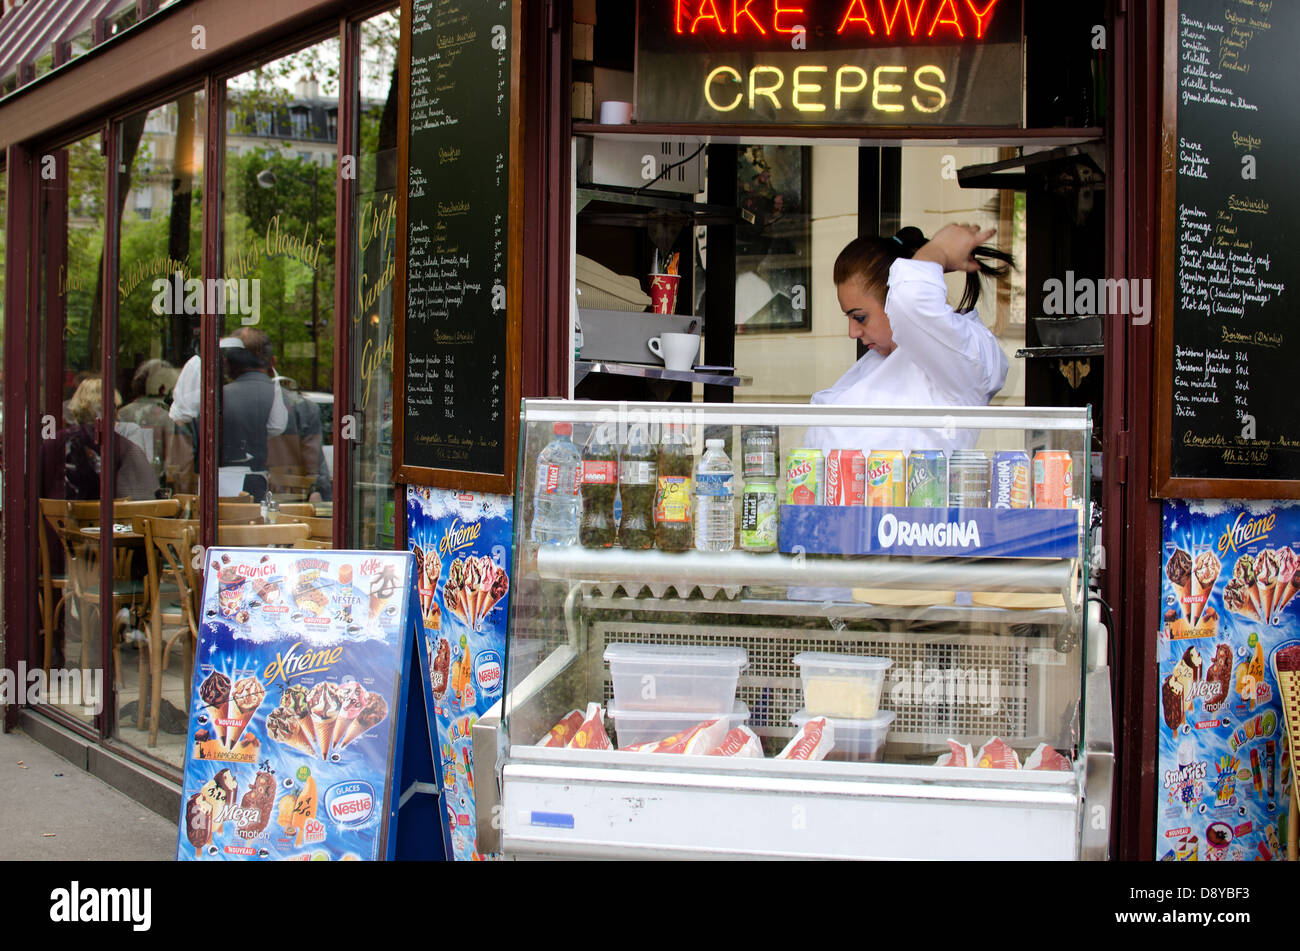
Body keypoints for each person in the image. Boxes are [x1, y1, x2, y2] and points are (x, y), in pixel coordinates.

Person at [803, 223, 1012, 455]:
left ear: (893, 302)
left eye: (860, 317)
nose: (853, 332)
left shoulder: (963, 354)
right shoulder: (874, 364)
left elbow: (911, 299)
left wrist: (938, 253)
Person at [41, 378, 158, 501]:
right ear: (110, 409)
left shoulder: (54, 442)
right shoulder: (120, 444)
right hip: (110, 518)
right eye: (115, 407)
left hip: (61, 518)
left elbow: (36, 489)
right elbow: (142, 495)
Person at [219, 327, 287, 501]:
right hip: (257, 484)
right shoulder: (282, 396)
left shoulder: (216, 397)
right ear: (271, 361)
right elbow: (277, 427)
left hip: (223, 487)